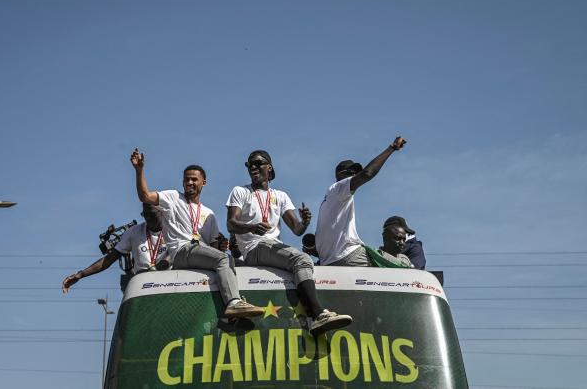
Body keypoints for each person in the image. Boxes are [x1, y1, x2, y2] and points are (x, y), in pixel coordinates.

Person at [226, 150, 352, 336]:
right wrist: (251, 227)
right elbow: (231, 224)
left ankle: (312, 320)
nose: (253, 167)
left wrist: (305, 222)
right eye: (249, 164)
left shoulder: (280, 195)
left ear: (269, 167)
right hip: (254, 247)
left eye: (258, 163)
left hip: (271, 245)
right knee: (301, 259)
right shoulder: (240, 191)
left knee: (300, 261)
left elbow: (297, 230)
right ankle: (317, 315)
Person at [130, 148, 264, 319]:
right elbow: (145, 196)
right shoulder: (173, 197)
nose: (190, 182)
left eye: (194, 179)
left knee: (236, 263)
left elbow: (214, 247)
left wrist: (221, 246)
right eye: (187, 180)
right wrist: (139, 170)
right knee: (224, 260)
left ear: (204, 183)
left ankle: (230, 315)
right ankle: (234, 303)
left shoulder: (209, 213)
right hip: (182, 251)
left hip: (198, 252)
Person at [315, 136, 407, 267]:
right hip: (349, 255)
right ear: (340, 175)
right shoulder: (339, 188)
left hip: (329, 262)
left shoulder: (328, 203)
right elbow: (367, 174)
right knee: (402, 265)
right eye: (352, 172)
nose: (355, 175)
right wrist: (392, 148)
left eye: (356, 172)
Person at [61, 203, 166, 293]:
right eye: (144, 215)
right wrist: (80, 274)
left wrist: (161, 266)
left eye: (151, 214)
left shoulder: (173, 229)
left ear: (162, 211)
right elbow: (108, 259)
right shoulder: (133, 232)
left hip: (167, 285)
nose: (147, 219)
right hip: (142, 287)